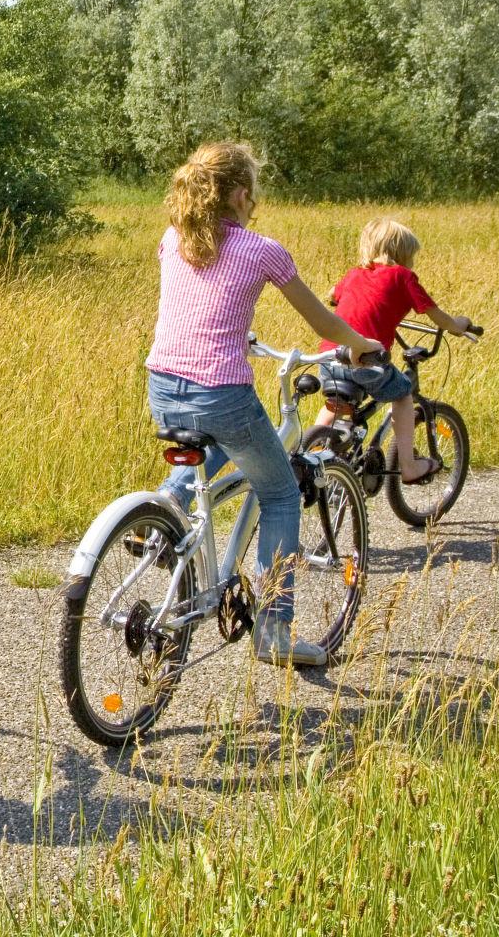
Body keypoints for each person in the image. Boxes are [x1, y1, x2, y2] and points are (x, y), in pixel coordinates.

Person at [145, 143, 380, 668]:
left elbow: (199, 305)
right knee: (278, 493)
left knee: (211, 451)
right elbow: (323, 323)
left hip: (162, 386)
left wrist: (239, 334)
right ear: (239, 194)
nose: (256, 202)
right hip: (221, 392)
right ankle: (274, 631)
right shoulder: (261, 249)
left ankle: (158, 515)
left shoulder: (172, 238)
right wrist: (360, 344)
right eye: (253, 192)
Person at [312, 217, 477, 484]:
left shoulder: (355, 273)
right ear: (403, 254)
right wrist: (458, 325)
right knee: (402, 395)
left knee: (335, 404)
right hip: (365, 360)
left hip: (330, 356)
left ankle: (314, 453)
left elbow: (332, 294)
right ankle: (409, 466)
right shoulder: (403, 276)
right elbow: (439, 318)